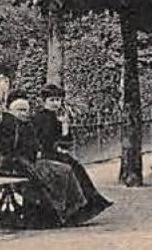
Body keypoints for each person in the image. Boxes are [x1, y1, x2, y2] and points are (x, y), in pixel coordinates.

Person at [0, 91, 92, 228]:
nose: (24, 113)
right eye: (20, 110)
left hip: (30, 161)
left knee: (66, 169)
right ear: (11, 110)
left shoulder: (25, 124)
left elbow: (37, 144)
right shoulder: (10, 124)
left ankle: (69, 210)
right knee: (55, 172)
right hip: (16, 165)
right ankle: (55, 213)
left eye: (26, 110)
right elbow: (8, 150)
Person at [31, 84, 111, 217]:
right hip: (45, 154)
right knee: (70, 168)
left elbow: (67, 141)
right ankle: (75, 206)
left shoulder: (60, 117)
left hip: (57, 153)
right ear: (44, 101)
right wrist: (55, 147)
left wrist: (64, 126)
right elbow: (41, 139)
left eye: (58, 100)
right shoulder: (38, 118)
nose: (55, 103)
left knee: (77, 167)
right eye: (52, 100)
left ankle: (88, 203)